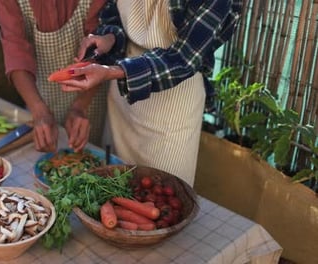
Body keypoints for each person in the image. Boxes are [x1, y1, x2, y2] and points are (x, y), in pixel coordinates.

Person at [57, 0, 242, 186]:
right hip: (122, 101)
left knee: (162, 196)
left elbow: (184, 58)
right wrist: (109, 38)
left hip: (172, 106)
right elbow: (115, 15)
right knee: (110, 187)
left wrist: (113, 71)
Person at [0, 0, 108, 153]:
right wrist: (39, 111)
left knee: (91, 154)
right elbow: (15, 51)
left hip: (91, 95)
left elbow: (100, 51)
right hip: (38, 92)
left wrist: (80, 106)